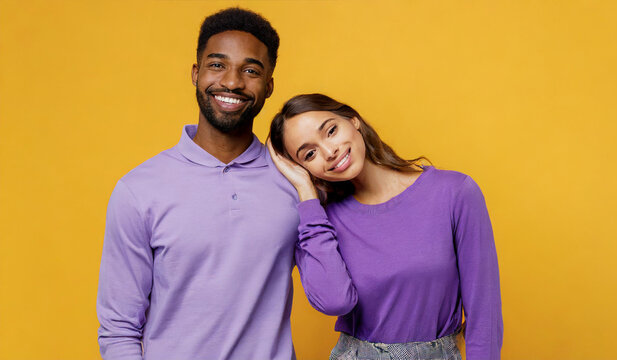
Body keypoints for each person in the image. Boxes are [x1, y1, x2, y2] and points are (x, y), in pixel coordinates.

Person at [96, 8, 352, 360]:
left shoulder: (297, 182)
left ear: (269, 86)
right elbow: (119, 329)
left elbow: (335, 296)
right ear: (195, 73)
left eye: (251, 71)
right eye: (217, 65)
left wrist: (307, 192)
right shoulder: (139, 190)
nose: (232, 82)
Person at [268, 93, 503, 360]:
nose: (329, 151)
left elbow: (484, 314)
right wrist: (306, 194)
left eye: (331, 131)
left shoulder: (454, 193)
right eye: (309, 154)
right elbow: (335, 301)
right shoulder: (317, 224)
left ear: (353, 120)